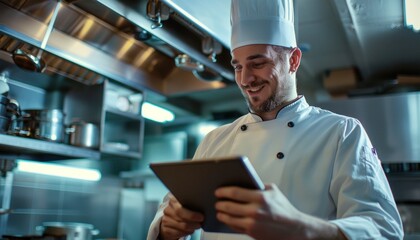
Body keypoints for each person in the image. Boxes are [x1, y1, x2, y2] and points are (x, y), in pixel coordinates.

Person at [147, 0, 404, 239]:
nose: (246, 79)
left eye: (258, 63)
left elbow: (384, 227)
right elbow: (170, 210)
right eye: (237, 66)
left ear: (293, 60)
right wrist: (167, 227)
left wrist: (300, 227)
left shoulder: (341, 132)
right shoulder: (215, 139)